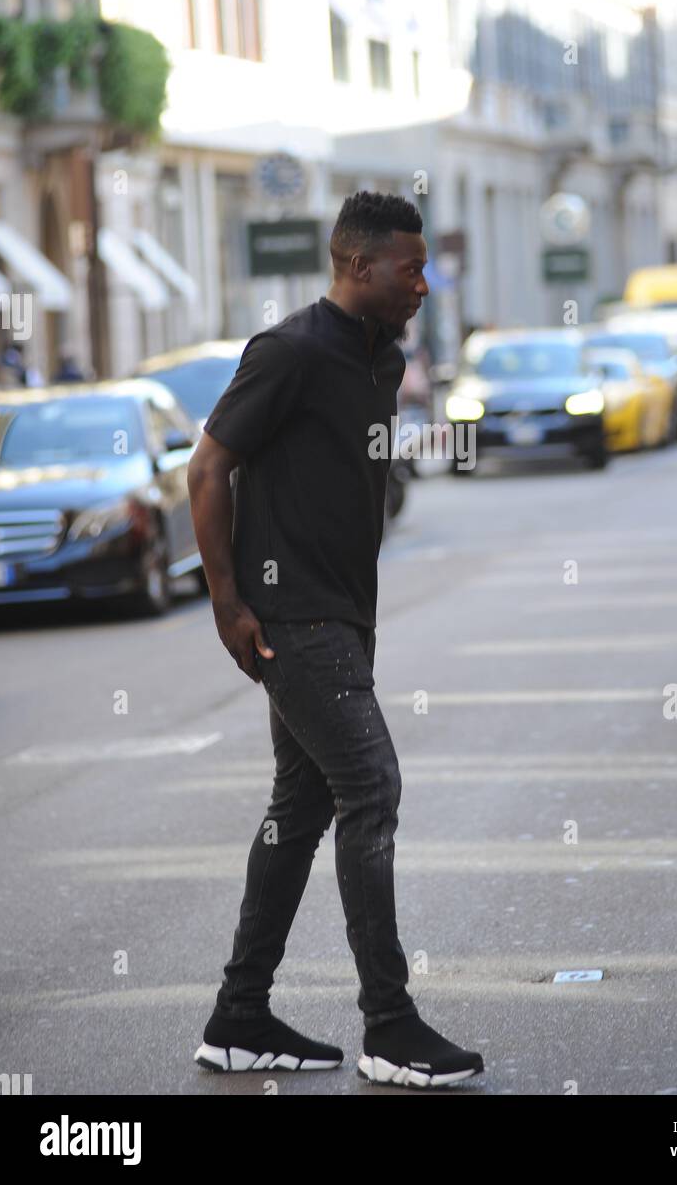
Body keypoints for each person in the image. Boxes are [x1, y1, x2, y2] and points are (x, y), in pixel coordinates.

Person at [186, 190, 484, 1089]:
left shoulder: (381, 358)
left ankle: (240, 1015)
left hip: (347, 617)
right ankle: (389, 1026)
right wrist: (229, 603)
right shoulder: (289, 352)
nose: (423, 284)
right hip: (294, 619)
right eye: (410, 268)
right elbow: (208, 467)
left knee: (303, 805)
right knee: (371, 788)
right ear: (358, 265)